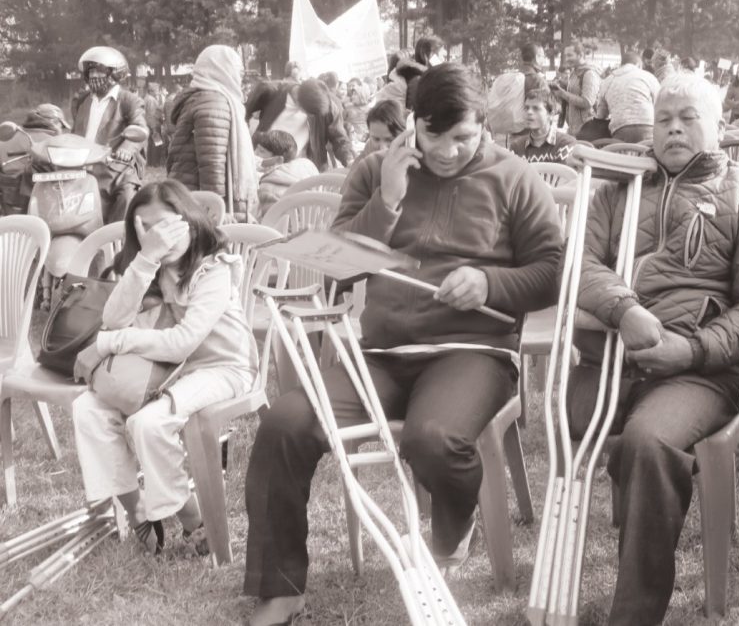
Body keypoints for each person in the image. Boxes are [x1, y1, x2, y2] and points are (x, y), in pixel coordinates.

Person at [242, 63, 563, 626]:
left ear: (484, 127)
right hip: (383, 352)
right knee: (283, 425)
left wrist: (492, 283)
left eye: (463, 137)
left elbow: (554, 273)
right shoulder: (374, 170)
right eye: (433, 136)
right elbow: (336, 268)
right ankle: (281, 585)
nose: (446, 151)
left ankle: (452, 521)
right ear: (414, 122)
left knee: (435, 438)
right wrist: (387, 200)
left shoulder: (514, 177)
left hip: (475, 349)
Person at [567, 73, 739, 626]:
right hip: (610, 357)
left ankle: (634, 615)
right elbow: (577, 266)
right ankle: (639, 506)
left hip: (700, 371)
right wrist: (625, 310)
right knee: (597, 435)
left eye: (688, 118)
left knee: (648, 442)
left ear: (717, 127)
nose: (672, 128)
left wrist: (689, 351)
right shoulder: (615, 190)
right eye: (664, 117)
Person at [71, 180, 258, 555]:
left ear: (188, 220)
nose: (158, 236)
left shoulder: (214, 269)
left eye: (165, 225)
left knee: (148, 423)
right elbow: (113, 317)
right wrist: (145, 259)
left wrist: (116, 343)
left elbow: (184, 341)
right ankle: (137, 511)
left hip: (222, 368)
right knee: (87, 409)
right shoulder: (151, 266)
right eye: (146, 229)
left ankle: (191, 519)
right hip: (168, 369)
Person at [165, 45, 260, 221]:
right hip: (201, 203)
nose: (240, 77)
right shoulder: (213, 102)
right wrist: (217, 210)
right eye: (238, 71)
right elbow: (212, 163)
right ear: (222, 69)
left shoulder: (202, 98)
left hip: (188, 193)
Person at [68, 46, 148, 222]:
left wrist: (127, 148)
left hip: (116, 169)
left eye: (100, 71)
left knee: (127, 196)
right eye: (91, 72)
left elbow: (140, 127)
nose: (94, 76)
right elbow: (74, 132)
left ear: (116, 73)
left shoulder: (129, 100)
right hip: (83, 168)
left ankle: (118, 241)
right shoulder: (82, 101)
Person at [245, 77, 354, 170]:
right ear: (298, 103)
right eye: (309, 114)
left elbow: (339, 139)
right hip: (264, 163)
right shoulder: (271, 91)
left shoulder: (327, 107)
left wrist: (349, 160)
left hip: (303, 168)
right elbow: (243, 116)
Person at [595, 51, 661, 144]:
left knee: (624, 156)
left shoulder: (607, 81)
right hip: (648, 126)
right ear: (638, 64)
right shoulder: (648, 76)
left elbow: (601, 115)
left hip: (620, 129)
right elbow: (660, 103)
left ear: (622, 64)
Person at [253, 130, 320, 218]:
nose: (255, 154)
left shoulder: (266, 189)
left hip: (278, 228)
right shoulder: (307, 168)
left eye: (261, 151)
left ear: (278, 160)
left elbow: (266, 220)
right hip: (312, 224)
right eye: (256, 149)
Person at [374, 36, 445, 112]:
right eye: (441, 56)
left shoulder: (423, 77)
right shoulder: (418, 80)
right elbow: (412, 115)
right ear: (430, 55)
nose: (443, 60)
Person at [508, 89, 577, 163]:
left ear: (551, 114)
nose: (529, 112)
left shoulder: (565, 144)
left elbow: (563, 173)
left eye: (536, 108)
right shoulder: (516, 147)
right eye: (526, 108)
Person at [550, 41, 600, 135]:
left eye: (570, 55)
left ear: (580, 55)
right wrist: (559, 88)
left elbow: (587, 102)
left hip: (587, 128)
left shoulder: (589, 74)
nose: (567, 59)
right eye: (565, 55)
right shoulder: (575, 72)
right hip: (575, 128)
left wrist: (563, 94)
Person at [353, 99, 405, 164]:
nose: (382, 148)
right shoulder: (369, 146)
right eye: (376, 139)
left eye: (390, 140)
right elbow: (355, 170)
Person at [143, 82, 165, 168]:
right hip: (154, 125)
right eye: (156, 90)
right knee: (157, 143)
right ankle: (155, 162)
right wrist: (154, 127)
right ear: (151, 91)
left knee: (151, 143)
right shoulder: (151, 100)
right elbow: (152, 114)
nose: (158, 92)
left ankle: (150, 162)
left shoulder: (147, 98)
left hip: (149, 124)